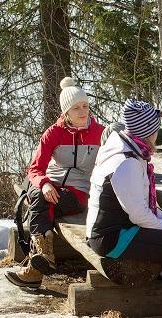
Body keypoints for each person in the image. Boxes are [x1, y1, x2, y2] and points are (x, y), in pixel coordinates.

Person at [86, 99, 162, 318]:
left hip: (118, 229)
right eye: (156, 128)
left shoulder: (130, 150)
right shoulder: (126, 162)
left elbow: (144, 205)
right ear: (148, 131)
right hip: (112, 237)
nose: (158, 133)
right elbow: (139, 215)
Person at [6, 77, 105, 289]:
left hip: (79, 191)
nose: (82, 111)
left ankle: (38, 265)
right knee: (40, 195)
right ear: (66, 112)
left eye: (85, 106)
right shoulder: (53, 133)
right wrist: (44, 183)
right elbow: (35, 168)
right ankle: (42, 257)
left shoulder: (101, 134)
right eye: (76, 108)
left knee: (39, 203)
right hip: (50, 184)